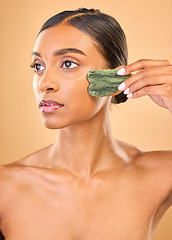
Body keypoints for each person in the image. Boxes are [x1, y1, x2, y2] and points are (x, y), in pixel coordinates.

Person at [0, 8, 172, 240]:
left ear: (113, 78)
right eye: (38, 66)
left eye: (68, 63)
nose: (45, 83)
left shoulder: (160, 174)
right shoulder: (5, 187)